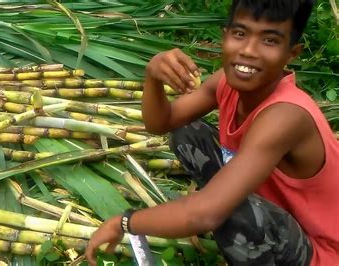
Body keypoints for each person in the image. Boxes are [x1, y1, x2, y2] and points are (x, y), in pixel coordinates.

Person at [85, 0, 339, 265]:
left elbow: (205, 216)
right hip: (268, 208)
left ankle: (231, 212)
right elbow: (162, 123)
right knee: (186, 131)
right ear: (225, 35)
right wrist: (153, 77)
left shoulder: (286, 115)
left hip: (320, 249)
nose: (248, 51)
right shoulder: (228, 82)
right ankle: (225, 202)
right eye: (240, 34)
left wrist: (124, 222)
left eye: (270, 40)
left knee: (229, 211)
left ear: (292, 53)